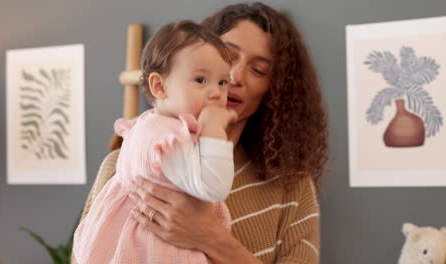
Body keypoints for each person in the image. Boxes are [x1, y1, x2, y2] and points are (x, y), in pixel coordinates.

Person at [127, 2, 329, 264]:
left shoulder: (292, 186)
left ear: (275, 88)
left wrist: (211, 238)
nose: (234, 77)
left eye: (258, 70)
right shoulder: (130, 159)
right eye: (228, 58)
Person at [73, 20, 239, 264]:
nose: (216, 92)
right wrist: (214, 130)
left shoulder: (148, 126)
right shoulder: (169, 140)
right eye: (201, 80)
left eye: (222, 82)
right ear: (159, 86)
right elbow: (214, 186)